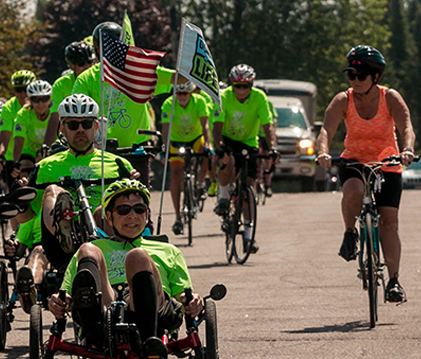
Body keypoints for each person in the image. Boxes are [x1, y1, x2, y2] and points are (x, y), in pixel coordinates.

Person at [47, 179, 203, 359]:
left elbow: (182, 293)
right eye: (123, 210)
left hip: (152, 308)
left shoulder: (168, 250)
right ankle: (92, 325)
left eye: (139, 209)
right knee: (87, 249)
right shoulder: (96, 248)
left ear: (147, 215)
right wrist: (59, 302)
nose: (132, 215)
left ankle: (150, 345)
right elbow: (66, 292)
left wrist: (193, 302)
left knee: (137, 256)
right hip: (106, 309)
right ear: (109, 217)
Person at [13, 94, 134, 309]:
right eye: (72, 125)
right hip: (60, 246)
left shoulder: (117, 164)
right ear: (62, 128)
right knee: (52, 191)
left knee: (104, 209)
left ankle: (94, 238)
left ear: (96, 127)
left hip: (106, 238)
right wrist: (20, 199)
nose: (80, 129)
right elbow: (26, 217)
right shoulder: (45, 167)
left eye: (86, 124)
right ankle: (65, 234)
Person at [315, 45, 415, 304]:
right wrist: (322, 153)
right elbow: (326, 130)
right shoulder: (343, 100)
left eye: (361, 76)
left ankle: (393, 281)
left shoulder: (390, 97)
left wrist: (407, 150)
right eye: (351, 75)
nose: (355, 81)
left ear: (376, 77)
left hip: (387, 162)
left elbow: (406, 126)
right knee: (353, 191)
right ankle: (350, 232)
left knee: (389, 222)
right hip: (354, 161)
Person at [72, 21, 173, 183]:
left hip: (137, 150)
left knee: (139, 196)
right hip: (102, 153)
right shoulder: (86, 79)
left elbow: (176, 78)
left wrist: (192, 67)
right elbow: (77, 114)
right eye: (106, 47)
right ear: (97, 49)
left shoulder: (137, 70)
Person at [212, 64, 276, 253]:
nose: (241, 90)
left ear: (251, 85)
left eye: (245, 86)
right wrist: (221, 148)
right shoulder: (223, 97)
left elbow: (267, 126)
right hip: (228, 139)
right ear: (231, 85)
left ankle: (249, 236)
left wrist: (272, 148)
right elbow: (217, 127)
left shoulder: (259, 97)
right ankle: (224, 198)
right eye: (237, 86)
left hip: (249, 142)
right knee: (228, 161)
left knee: (249, 187)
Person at [158, 80, 211, 234]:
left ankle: (200, 182)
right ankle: (178, 217)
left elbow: (205, 126)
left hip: (195, 138)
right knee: (176, 174)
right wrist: (165, 148)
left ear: (190, 92)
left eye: (185, 93)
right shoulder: (168, 104)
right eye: (178, 93)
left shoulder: (199, 101)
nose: (181, 97)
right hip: (176, 140)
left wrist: (208, 144)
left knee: (207, 153)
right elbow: (165, 129)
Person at [11, 79, 59, 172]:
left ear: (50, 99)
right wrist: (15, 162)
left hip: (52, 150)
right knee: (24, 170)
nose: (41, 103)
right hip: (30, 153)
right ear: (30, 100)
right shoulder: (23, 114)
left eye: (44, 99)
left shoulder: (56, 113)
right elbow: (18, 141)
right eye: (36, 99)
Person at [0, 69, 37, 177]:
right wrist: (1, 155)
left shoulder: (40, 104)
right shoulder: (9, 107)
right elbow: (4, 138)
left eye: (26, 89)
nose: (23, 94)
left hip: (37, 155)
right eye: (18, 90)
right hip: (14, 158)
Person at [50, 41, 96, 115]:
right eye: (81, 64)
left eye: (90, 62)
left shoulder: (102, 80)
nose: (87, 67)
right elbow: (55, 115)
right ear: (71, 66)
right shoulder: (60, 85)